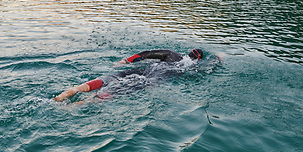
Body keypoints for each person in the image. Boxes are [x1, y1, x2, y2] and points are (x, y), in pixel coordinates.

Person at [54, 48, 207, 103]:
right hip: (150, 81)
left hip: (139, 72)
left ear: (188, 52)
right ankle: (76, 106)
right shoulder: (190, 68)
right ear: (197, 60)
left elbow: (146, 54)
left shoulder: (172, 54)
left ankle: (67, 94)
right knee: (116, 91)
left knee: (109, 79)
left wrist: (125, 61)